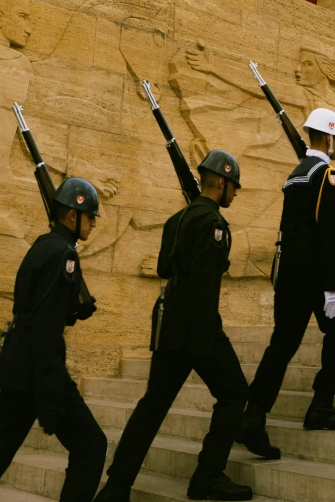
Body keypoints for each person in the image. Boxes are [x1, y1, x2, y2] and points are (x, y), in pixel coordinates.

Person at [95, 151, 252, 502]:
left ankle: (116, 486)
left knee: (153, 405)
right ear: (222, 182)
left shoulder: (176, 220)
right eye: (234, 186)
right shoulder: (212, 224)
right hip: (197, 323)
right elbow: (206, 284)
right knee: (235, 392)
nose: (236, 194)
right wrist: (204, 341)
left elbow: (165, 268)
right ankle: (208, 475)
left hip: (169, 319)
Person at [0, 178, 107, 502]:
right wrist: (50, 395)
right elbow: (46, 329)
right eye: (89, 215)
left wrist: (73, 311)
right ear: (72, 216)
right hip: (41, 368)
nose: (94, 221)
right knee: (92, 445)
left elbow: (33, 307)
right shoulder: (64, 254)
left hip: (20, 367)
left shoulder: (41, 246)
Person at [238, 109, 335, 462]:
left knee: (282, 345)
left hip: (290, 274)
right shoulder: (327, 174)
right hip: (317, 278)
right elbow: (326, 240)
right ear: (329, 138)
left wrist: (333, 221)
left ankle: (253, 416)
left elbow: (301, 223)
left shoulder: (295, 175)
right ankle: (321, 405)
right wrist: (333, 287)